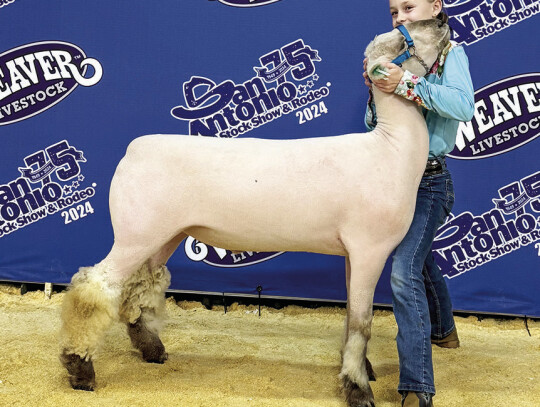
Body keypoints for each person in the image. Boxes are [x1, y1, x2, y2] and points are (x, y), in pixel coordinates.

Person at [363, 1, 474, 406]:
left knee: (403, 270)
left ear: (435, 7)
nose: (400, 17)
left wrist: (408, 85)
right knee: (418, 259)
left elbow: (464, 106)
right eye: (394, 12)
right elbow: (374, 128)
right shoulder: (393, 56)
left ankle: (417, 385)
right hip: (392, 180)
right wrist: (377, 94)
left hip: (429, 182)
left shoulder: (449, 54)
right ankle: (444, 328)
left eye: (409, 7)